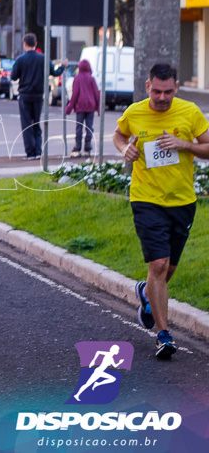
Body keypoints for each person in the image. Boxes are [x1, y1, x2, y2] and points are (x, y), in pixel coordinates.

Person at [113, 63, 209, 360]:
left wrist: (184, 144)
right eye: (157, 91)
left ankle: (145, 294)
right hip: (146, 199)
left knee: (168, 270)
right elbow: (119, 134)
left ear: (176, 88)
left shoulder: (190, 112)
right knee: (158, 264)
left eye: (168, 92)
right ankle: (164, 335)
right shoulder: (135, 112)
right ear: (147, 87)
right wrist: (124, 150)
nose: (162, 97)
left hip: (182, 201)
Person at [11, 33, 63, 160]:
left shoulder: (20, 60)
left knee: (26, 123)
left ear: (25, 44)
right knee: (37, 123)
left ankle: (30, 152)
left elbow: (13, 76)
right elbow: (55, 72)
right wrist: (63, 66)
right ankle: (38, 151)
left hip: (25, 94)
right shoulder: (43, 59)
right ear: (36, 44)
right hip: (39, 95)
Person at [65, 59, 99, 158]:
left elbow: (74, 94)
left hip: (80, 106)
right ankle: (87, 147)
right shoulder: (91, 79)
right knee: (89, 127)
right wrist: (98, 108)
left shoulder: (77, 78)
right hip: (91, 106)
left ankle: (77, 147)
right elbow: (96, 93)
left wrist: (69, 107)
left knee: (79, 127)